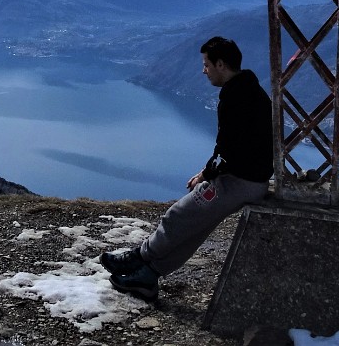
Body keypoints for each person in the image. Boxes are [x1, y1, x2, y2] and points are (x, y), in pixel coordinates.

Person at [101, 36, 272, 302]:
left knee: (178, 216)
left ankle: (138, 259)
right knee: (194, 228)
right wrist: (209, 171)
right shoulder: (250, 89)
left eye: (206, 65)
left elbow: (229, 149)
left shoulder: (235, 98)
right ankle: (148, 275)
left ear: (221, 64)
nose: (203, 71)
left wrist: (206, 175)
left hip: (239, 181)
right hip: (252, 179)